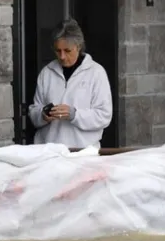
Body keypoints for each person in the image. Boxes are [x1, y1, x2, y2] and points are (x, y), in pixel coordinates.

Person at [28, 19, 113, 148]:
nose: (62, 56)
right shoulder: (47, 73)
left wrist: (75, 114)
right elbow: (34, 113)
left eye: (67, 51)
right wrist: (43, 115)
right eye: (58, 51)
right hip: (48, 151)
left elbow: (104, 115)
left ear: (78, 46)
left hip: (83, 153)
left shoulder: (96, 73)